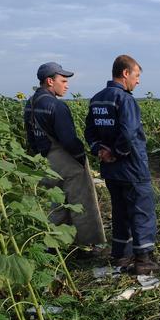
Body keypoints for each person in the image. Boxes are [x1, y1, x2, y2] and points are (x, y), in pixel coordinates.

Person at [84, 55, 157, 275]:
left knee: (120, 211)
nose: (138, 81)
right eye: (136, 76)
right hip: (132, 167)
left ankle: (121, 256)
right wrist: (116, 152)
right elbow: (129, 132)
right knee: (142, 211)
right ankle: (143, 260)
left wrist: (100, 151)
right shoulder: (125, 100)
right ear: (125, 73)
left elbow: (89, 131)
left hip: (111, 170)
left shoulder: (97, 100)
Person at [24, 62, 106, 251]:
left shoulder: (31, 103)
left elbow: (30, 136)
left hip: (45, 160)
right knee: (81, 203)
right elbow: (69, 140)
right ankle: (86, 245)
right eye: (63, 80)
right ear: (50, 81)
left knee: (57, 204)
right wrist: (81, 159)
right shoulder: (56, 106)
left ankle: (54, 247)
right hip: (65, 160)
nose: (67, 85)